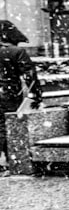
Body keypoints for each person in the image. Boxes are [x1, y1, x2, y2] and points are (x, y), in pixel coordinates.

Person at [0, 20, 42, 172]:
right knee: (7, 126)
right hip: (8, 95)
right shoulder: (15, 52)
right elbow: (30, 77)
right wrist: (36, 96)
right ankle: (8, 161)